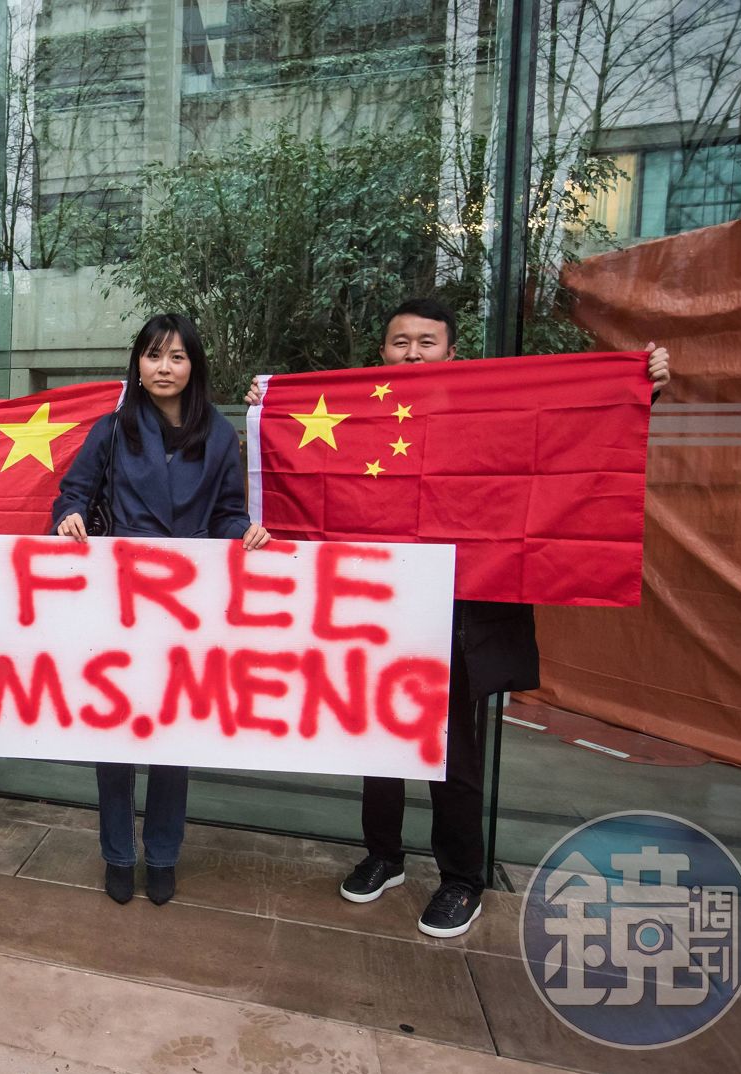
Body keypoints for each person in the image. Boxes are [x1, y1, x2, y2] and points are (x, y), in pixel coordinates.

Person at [245, 296, 670, 937]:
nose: (412, 354)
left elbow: (572, 429)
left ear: (451, 352)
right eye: (400, 343)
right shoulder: (357, 415)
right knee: (378, 741)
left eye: (427, 342)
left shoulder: (491, 412)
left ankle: (461, 878)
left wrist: (640, 389)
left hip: (462, 612)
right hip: (378, 609)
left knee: (456, 752)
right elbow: (301, 467)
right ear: (382, 352)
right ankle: (384, 855)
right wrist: (268, 409)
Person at [54, 312, 271, 905]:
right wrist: (68, 517)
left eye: (177, 356)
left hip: (188, 602)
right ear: (138, 364)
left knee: (174, 735)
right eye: (153, 355)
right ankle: (118, 853)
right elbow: (74, 493)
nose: (164, 367)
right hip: (119, 597)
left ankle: (164, 853)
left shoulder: (219, 435)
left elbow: (227, 512)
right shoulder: (111, 429)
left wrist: (244, 531)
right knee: (115, 733)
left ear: (194, 365)